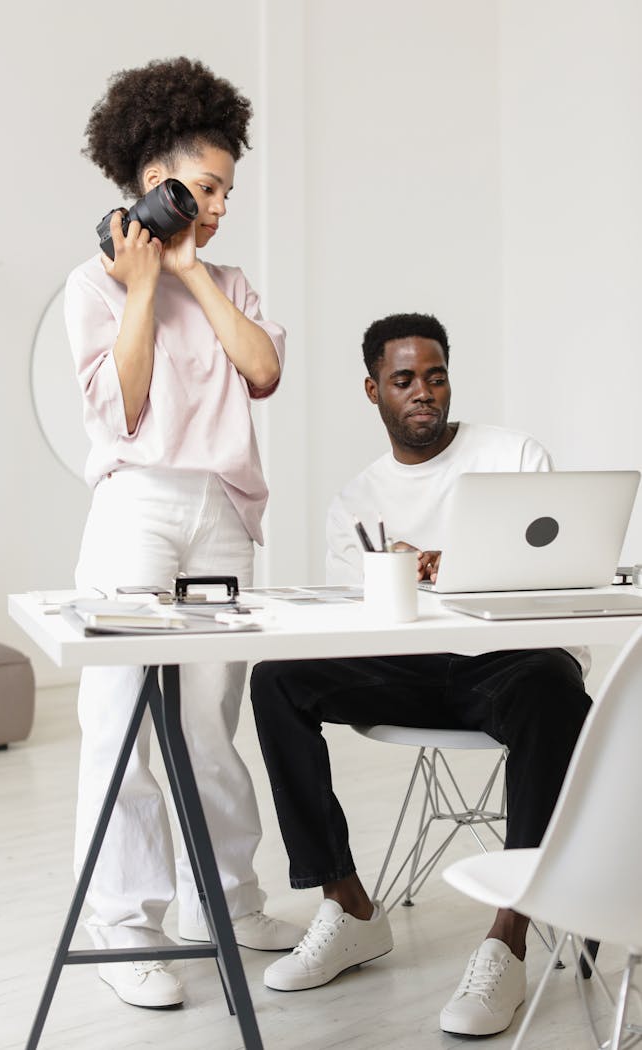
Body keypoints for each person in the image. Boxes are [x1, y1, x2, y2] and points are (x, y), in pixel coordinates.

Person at [250, 312, 592, 1037]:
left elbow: (556, 573)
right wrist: (397, 569)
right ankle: (347, 906)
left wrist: (455, 562)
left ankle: (510, 936)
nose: (423, 393)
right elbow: (357, 619)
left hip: (508, 660)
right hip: (411, 667)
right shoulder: (356, 502)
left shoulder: (512, 454)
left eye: (435, 376)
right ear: (372, 390)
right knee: (276, 678)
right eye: (404, 380)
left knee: (555, 692)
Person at [64, 57, 302, 1010]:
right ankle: (126, 925)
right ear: (151, 182)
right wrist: (140, 286)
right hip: (139, 506)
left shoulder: (229, 278)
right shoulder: (94, 283)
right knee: (119, 717)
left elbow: (262, 374)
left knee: (209, 721)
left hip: (223, 515)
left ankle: (228, 905)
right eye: (204, 188)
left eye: (226, 192)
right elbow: (122, 411)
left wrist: (195, 271)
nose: (218, 205)